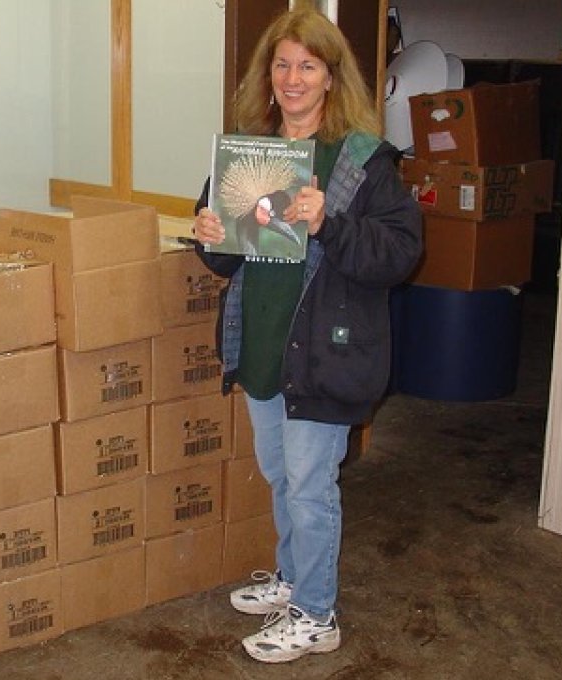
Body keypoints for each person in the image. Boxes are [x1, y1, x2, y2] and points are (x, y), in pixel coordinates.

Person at [191, 4, 423, 665]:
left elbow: (400, 254)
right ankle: (294, 578)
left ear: (331, 77)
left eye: (309, 67)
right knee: (281, 475)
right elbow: (226, 256)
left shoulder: (362, 160)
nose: (293, 79)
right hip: (262, 344)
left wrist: (330, 225)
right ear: (267, 76)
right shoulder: (251, 149)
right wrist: (208, 235)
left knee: (311, 486)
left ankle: (316, 614)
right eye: (283, 65)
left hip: (326, 354)